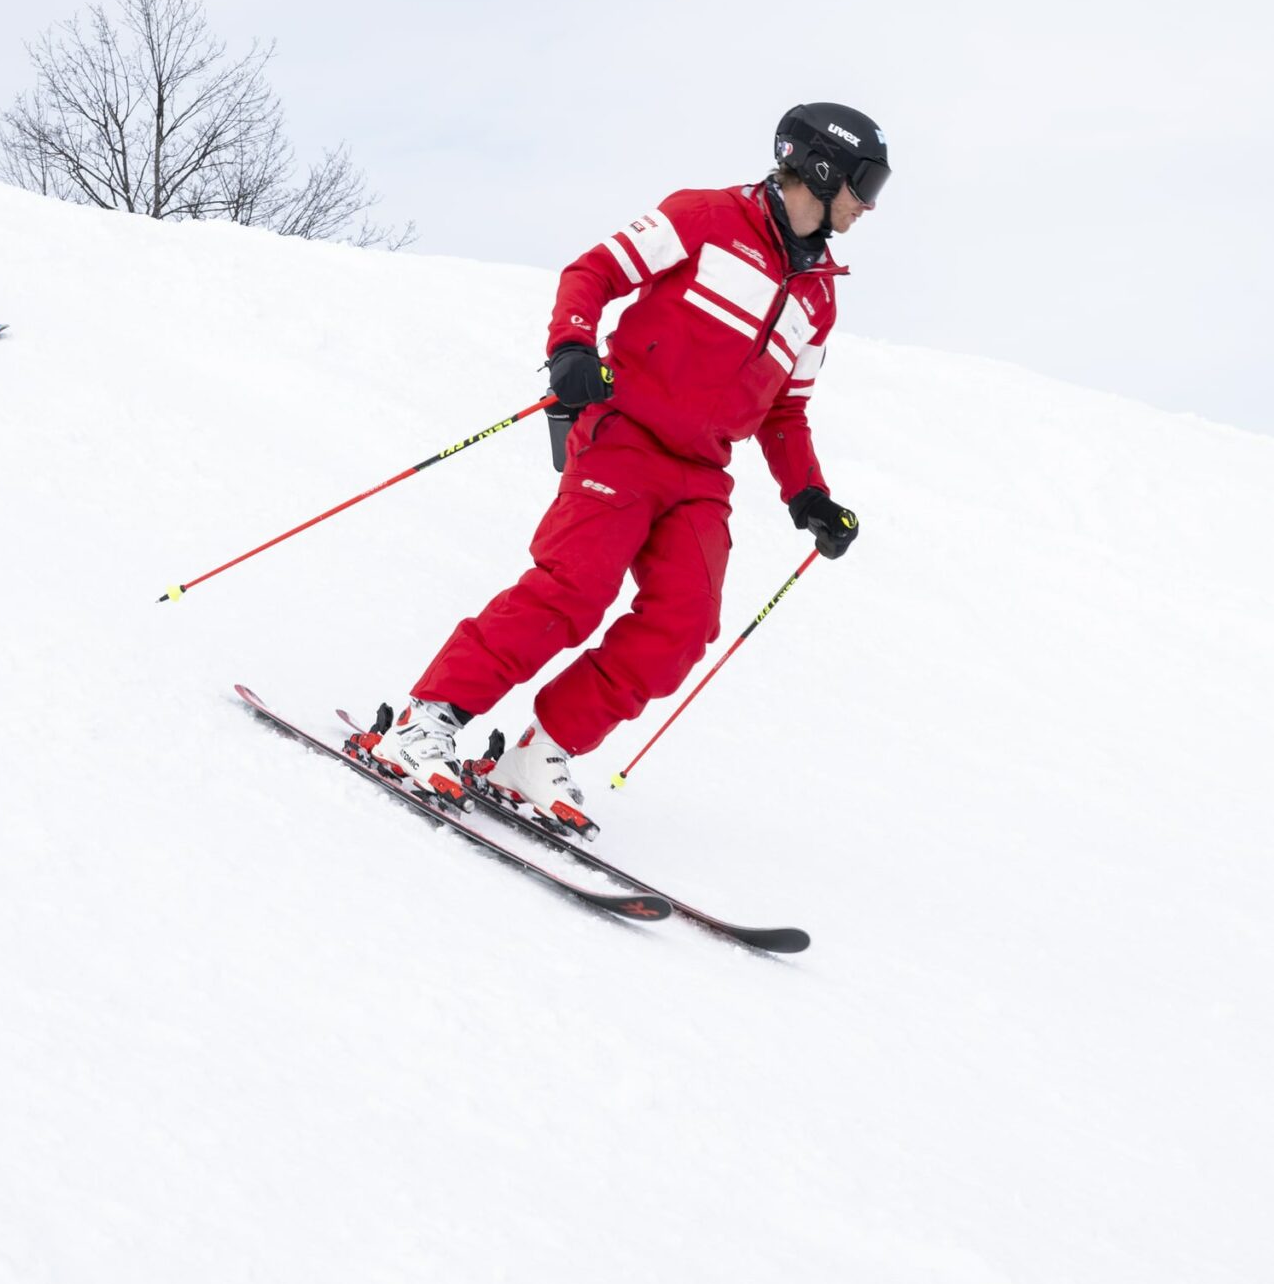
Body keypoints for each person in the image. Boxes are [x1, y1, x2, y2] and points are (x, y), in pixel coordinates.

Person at [351, 104, 891, 837]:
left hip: (701, 473)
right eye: (865, 183)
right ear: (823, 170)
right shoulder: (701, 217)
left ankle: (535, 756)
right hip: (624, 435)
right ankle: (427, 720)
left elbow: (784, 412)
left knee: (682, 626)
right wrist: (572, 348)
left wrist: (809, 495)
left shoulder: (818, 295)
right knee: (573, 590)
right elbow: (594, 271)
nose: (867, 204)